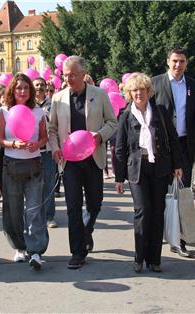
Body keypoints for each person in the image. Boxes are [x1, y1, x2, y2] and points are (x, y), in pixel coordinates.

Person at [49, 56, 117, 269]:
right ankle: (77, 252)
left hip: (93, 158)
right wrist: (55, 148)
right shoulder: (58, 98)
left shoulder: (99, 94)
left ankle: (86, 230)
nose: (68, 79)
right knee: (72, 207)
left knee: (95, 203)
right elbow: (52, 129)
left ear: (82, 74)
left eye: (72, 75)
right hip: (69, 162)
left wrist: (100, 136)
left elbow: (113, 122)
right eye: (65, 75)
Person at [114, 73, 183, 273]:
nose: (138, 93)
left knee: (157, 212)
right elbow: (120, 148)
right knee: (143, 212)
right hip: (137, 169)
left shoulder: (160, 111)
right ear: (129, 93)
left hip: (160, 167)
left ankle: (154, 259)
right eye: (134, 90)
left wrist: (177, 164)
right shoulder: (126, 116)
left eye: (142, 90)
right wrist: (119, 177)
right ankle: (139, 257)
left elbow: (173, 139)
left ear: (148, 91)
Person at [151, 47, 195, 257]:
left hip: (185, 145)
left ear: (186, 63)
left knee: (182, 192)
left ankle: (180, 239)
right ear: (167, 62)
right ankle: (160, 234)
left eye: (182, 61)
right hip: (162, 147)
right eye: (174, 61)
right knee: (160, 193)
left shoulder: (194, 86)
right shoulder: (155, 83)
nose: (178, 65)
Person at [0, 73, 49, 270]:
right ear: (12, 89)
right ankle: (19, 246)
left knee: (34, 209)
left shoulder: (38, 112)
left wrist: (37, 144)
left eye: (26, 88)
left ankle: (35, 251)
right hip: (11, 165)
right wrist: (13, 144)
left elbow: (44, 137)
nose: (23, 91)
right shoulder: (3, 112)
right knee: (13, 209)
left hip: (34, 166)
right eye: (19, 88)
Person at [34, 77, 58, 229]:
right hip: (32, 152)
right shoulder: (28, 105)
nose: (40, 87)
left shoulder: (54, 104)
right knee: (33, 185)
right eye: (37, 85)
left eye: (42, 85)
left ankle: (49, 216)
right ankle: (35, 215)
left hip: (48, 151)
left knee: (49, 184)